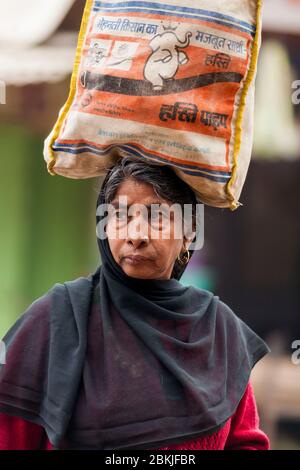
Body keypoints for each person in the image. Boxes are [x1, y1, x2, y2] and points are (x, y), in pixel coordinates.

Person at [0, 155, 271, 450]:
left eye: (157, 217)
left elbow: (245, 443)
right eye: (121, 216)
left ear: (189, 232)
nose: (136, 235)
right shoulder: (57, 319)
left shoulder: (218, 330)